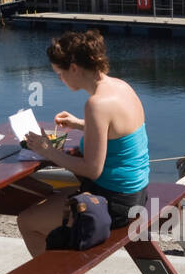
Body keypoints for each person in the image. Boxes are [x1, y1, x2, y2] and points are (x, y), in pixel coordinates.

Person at [18, 30, 150, 259]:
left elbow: (92, 169)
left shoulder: (97, 104)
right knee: (50, 195)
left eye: (59, 74)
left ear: (75, 69)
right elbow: (117, 132)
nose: (60, 79)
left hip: (114, 204)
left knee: (27, 221)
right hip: (136, 193)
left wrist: (46, 150)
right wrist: (80, 124)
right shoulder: (120, 86)